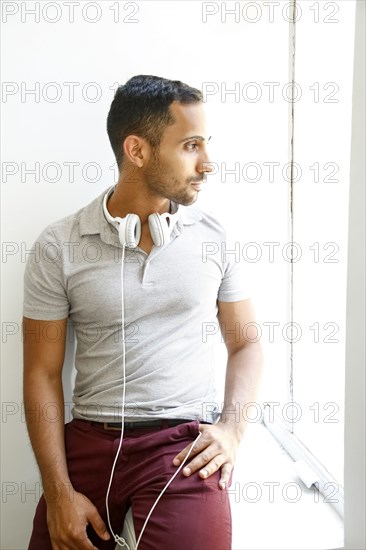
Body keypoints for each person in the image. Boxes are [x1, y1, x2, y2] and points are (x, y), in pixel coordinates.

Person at [23, 75, 263, 550]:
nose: (207, 164)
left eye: (205, 145)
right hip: (90, 443)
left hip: (184, 448)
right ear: (137, 150)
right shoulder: (58, 246)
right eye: (191, 146)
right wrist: (58, 490)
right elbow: (41, 373)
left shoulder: (215, 238)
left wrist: (233, 428)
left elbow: (247, 341)